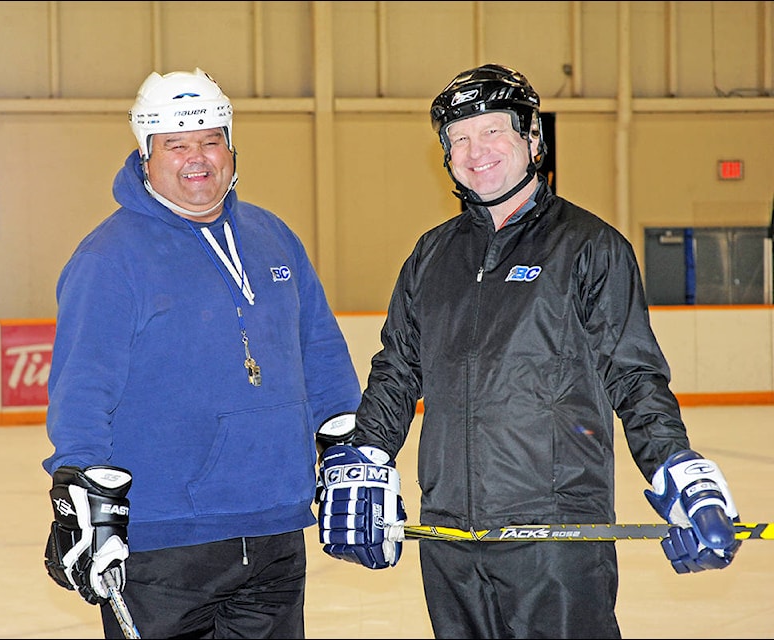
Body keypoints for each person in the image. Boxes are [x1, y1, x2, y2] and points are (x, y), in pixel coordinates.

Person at [315, 63, 742, 639]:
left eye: (492, 130)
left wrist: (678, 469)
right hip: (450, 537)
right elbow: (397, 371)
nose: (475, 150)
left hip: (554, 535)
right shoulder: (431, 256)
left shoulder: (590, 247)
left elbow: (634, 377)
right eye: (459, 138)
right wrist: (366, 457)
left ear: (532, 138)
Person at [41, 67, 362, 639]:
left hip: (275, 527)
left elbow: (319, 346)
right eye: (177, 144)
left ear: (231, 149)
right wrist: (83, 486)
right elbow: (82, 386)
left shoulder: (273, 236)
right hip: (165, 541)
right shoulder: (109, 258)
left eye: (211, 139)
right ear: (146, 156)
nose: (198, 157)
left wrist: (344, 449)